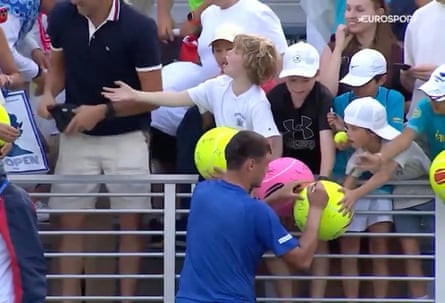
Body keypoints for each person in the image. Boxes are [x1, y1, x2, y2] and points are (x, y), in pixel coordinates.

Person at [37, 0, 162, 300]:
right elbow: (58, 67)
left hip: (128, 135)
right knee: (68, 222)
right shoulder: (63, 16)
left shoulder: (140, 28)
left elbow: (153, 96)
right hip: (76, 135)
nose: (75, 1)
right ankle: (68, 299)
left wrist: (101, 112)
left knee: (132, 222)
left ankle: (127, 299)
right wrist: (48, 93)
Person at [175, 130, 329, 302]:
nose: (267, 171)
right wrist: (316, 208)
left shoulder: (202, 192)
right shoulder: (258, 212)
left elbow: (237, 214)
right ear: (250, 165)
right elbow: (302, 260)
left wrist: (274, 198)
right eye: (266, 164)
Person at [102, 33, 283, 158]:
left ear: (248, 62)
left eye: (235, 51)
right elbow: (176, 98)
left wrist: (262, 181)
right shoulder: (216, 86)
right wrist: (136, 95)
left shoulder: (257, 102)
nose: (226, 54)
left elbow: (272, 143)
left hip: (246, 173)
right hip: (224, 168)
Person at [338, 96, 431, 300]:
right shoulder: (361, 152)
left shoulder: (397, 144)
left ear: (371, 132)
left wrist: (354, 195)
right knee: (411, 254)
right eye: (347, 127)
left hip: (432, 196)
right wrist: (342, 198)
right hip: (404, 197)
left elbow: (383, 175)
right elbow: (351, 178)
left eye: (354, 129)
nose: (347, 134)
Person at [266, 41, 335, 301]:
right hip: (284, 173)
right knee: (280, 234)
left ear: (316, 75)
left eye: (304, 79)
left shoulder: (323, 96)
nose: (298, 86)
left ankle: (316, 298)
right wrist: (274, 180)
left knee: (319, 237)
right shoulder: (274, 97)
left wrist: (324, 180)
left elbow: (326, 142)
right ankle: (287, 297)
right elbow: (273, 142)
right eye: (292, 80)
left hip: (315, 173)